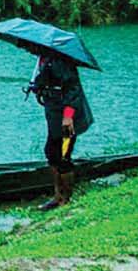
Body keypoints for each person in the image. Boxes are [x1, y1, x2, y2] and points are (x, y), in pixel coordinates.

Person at [25, 47, 93, 210]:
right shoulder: (43, 60)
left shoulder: (59, 61)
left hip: (67, 117)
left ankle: (66, 199)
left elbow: (73, 90)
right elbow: (48, 83)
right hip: (54, 115)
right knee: (51, 151)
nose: (27, 49)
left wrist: (68, 116)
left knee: (63, 155)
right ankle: (57, 195)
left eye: (28, 46)